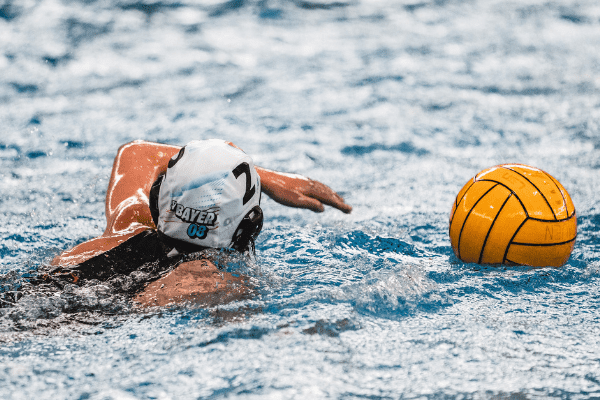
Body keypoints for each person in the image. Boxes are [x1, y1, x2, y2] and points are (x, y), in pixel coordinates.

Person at [38, 139, 352, 307]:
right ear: (248, 228)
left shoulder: (127, 225)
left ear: (158, 200)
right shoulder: (213, 285)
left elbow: (138, 152)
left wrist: (264, 176)